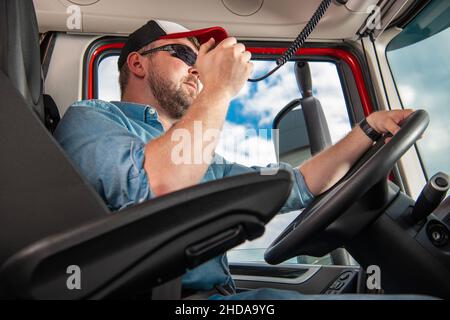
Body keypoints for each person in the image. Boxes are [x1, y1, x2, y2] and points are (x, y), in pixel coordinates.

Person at [54, 20, 414, 299]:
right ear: (137, 63)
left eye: (201, 61)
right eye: (184, 56)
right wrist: (219, 88)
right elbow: (158, 188)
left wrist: (365, 130)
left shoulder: (203, 157)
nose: (197, 70)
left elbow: (298, 183)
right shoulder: (93, 117)